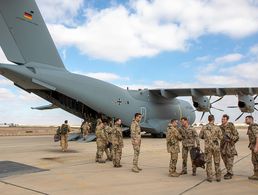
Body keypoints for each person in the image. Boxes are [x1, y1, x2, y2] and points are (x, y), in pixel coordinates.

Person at [199, 115, 223, 182]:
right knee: (217, 162)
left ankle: (209, 177)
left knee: (208, 162)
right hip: (216, 147)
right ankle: (218, 177)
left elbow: (200, 136)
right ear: (213, 119)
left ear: (208, 119)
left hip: (208, 147)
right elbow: (221, 137)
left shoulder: (204, 127)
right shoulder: (217, 128)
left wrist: (207, 138)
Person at [220, 114, 239, 180]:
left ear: (227, 120)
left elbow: (236, 136)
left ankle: (229, 173)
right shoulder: (220, 127)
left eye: (224, 119)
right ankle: (229, 171)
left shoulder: (231, 126)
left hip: (229, 146)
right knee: (224, 159)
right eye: (222, 119)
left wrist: (231, 140)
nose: (222, 120)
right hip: (222, 146)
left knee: (229, 159)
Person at [245, 115, 258, 180]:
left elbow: (257, 137)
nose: (245, 120)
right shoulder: (250, 127)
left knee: (256, 160)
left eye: (246, 119)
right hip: (253, 146)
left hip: (256, 146)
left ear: (251, 119)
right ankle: (256, 175)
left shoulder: (254, 127)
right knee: (254, 160)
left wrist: (256, 147)